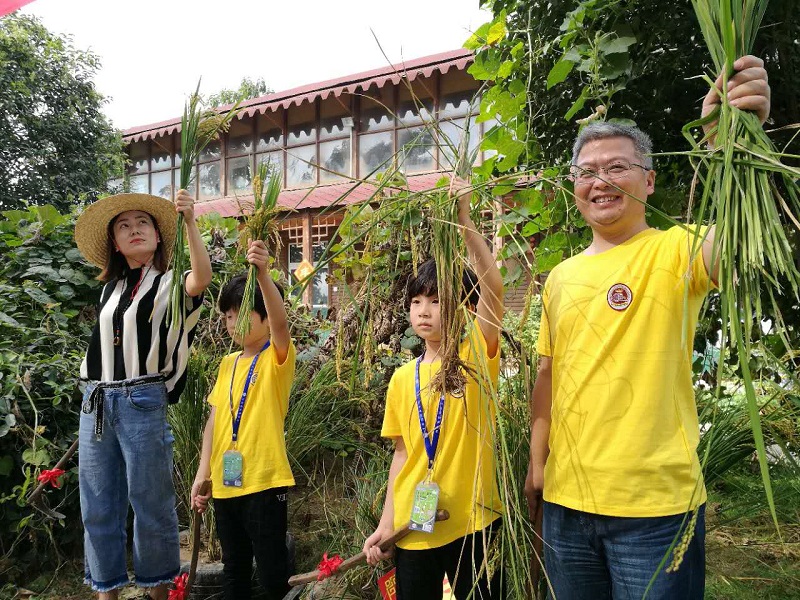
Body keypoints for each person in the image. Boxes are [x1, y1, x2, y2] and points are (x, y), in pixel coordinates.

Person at [524, 56, 771, 599]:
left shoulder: (677, 249)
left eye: (617, 167)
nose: (600, 181)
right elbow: (548, 376)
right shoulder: (560, 278)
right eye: (587, 172)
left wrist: (733, 145)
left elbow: (741, 242)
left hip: (655, 510)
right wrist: (536, 466)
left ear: (650, 181)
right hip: (568, 506)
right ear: (573, 185)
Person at [363, 186, 505, 599]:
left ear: (464, 305)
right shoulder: (402, 378)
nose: (423, 310)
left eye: (437, 300)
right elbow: (403, 455)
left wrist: (463, 222)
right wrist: (387, 523)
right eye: (417, 301)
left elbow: (493, 287)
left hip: (472, 520)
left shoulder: (475, 354)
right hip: (414, 525)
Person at [74, 190, 212, 600]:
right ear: (115, 243)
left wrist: (189, 221)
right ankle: (106, 591)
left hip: (141, 399)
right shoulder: (109, 289)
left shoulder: (172, 283)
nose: (135, 230)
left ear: (158, 236)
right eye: (124, 226)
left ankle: (157, 591)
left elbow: (201, 277)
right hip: (96, 401)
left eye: (143, 224)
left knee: (150, 503)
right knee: (98, 505)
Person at [191, 240, 295, 600]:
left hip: (265, 482)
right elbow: (215, 420)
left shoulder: (277, 357)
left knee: (271, 570)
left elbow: (281, 323)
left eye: (241, 313)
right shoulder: (227, 364)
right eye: (227, 315)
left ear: (263, 316)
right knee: (233, 568)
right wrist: (204, 472)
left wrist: (264, 275)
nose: (232, 322)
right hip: (225, 484)